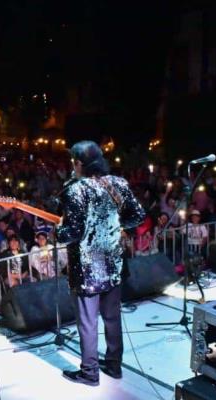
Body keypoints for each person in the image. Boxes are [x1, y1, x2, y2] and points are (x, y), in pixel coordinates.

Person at [58, 140, 145, 386]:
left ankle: (89, 372)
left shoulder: (76, 189)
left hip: (86, 268)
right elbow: (137, 215)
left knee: (87, 321)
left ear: (78, 163)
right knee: (112, 317)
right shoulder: (118, 183)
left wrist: (58, 232)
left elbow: (72, 232)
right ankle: (115, 366)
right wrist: (114, 228)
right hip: (114, 263)